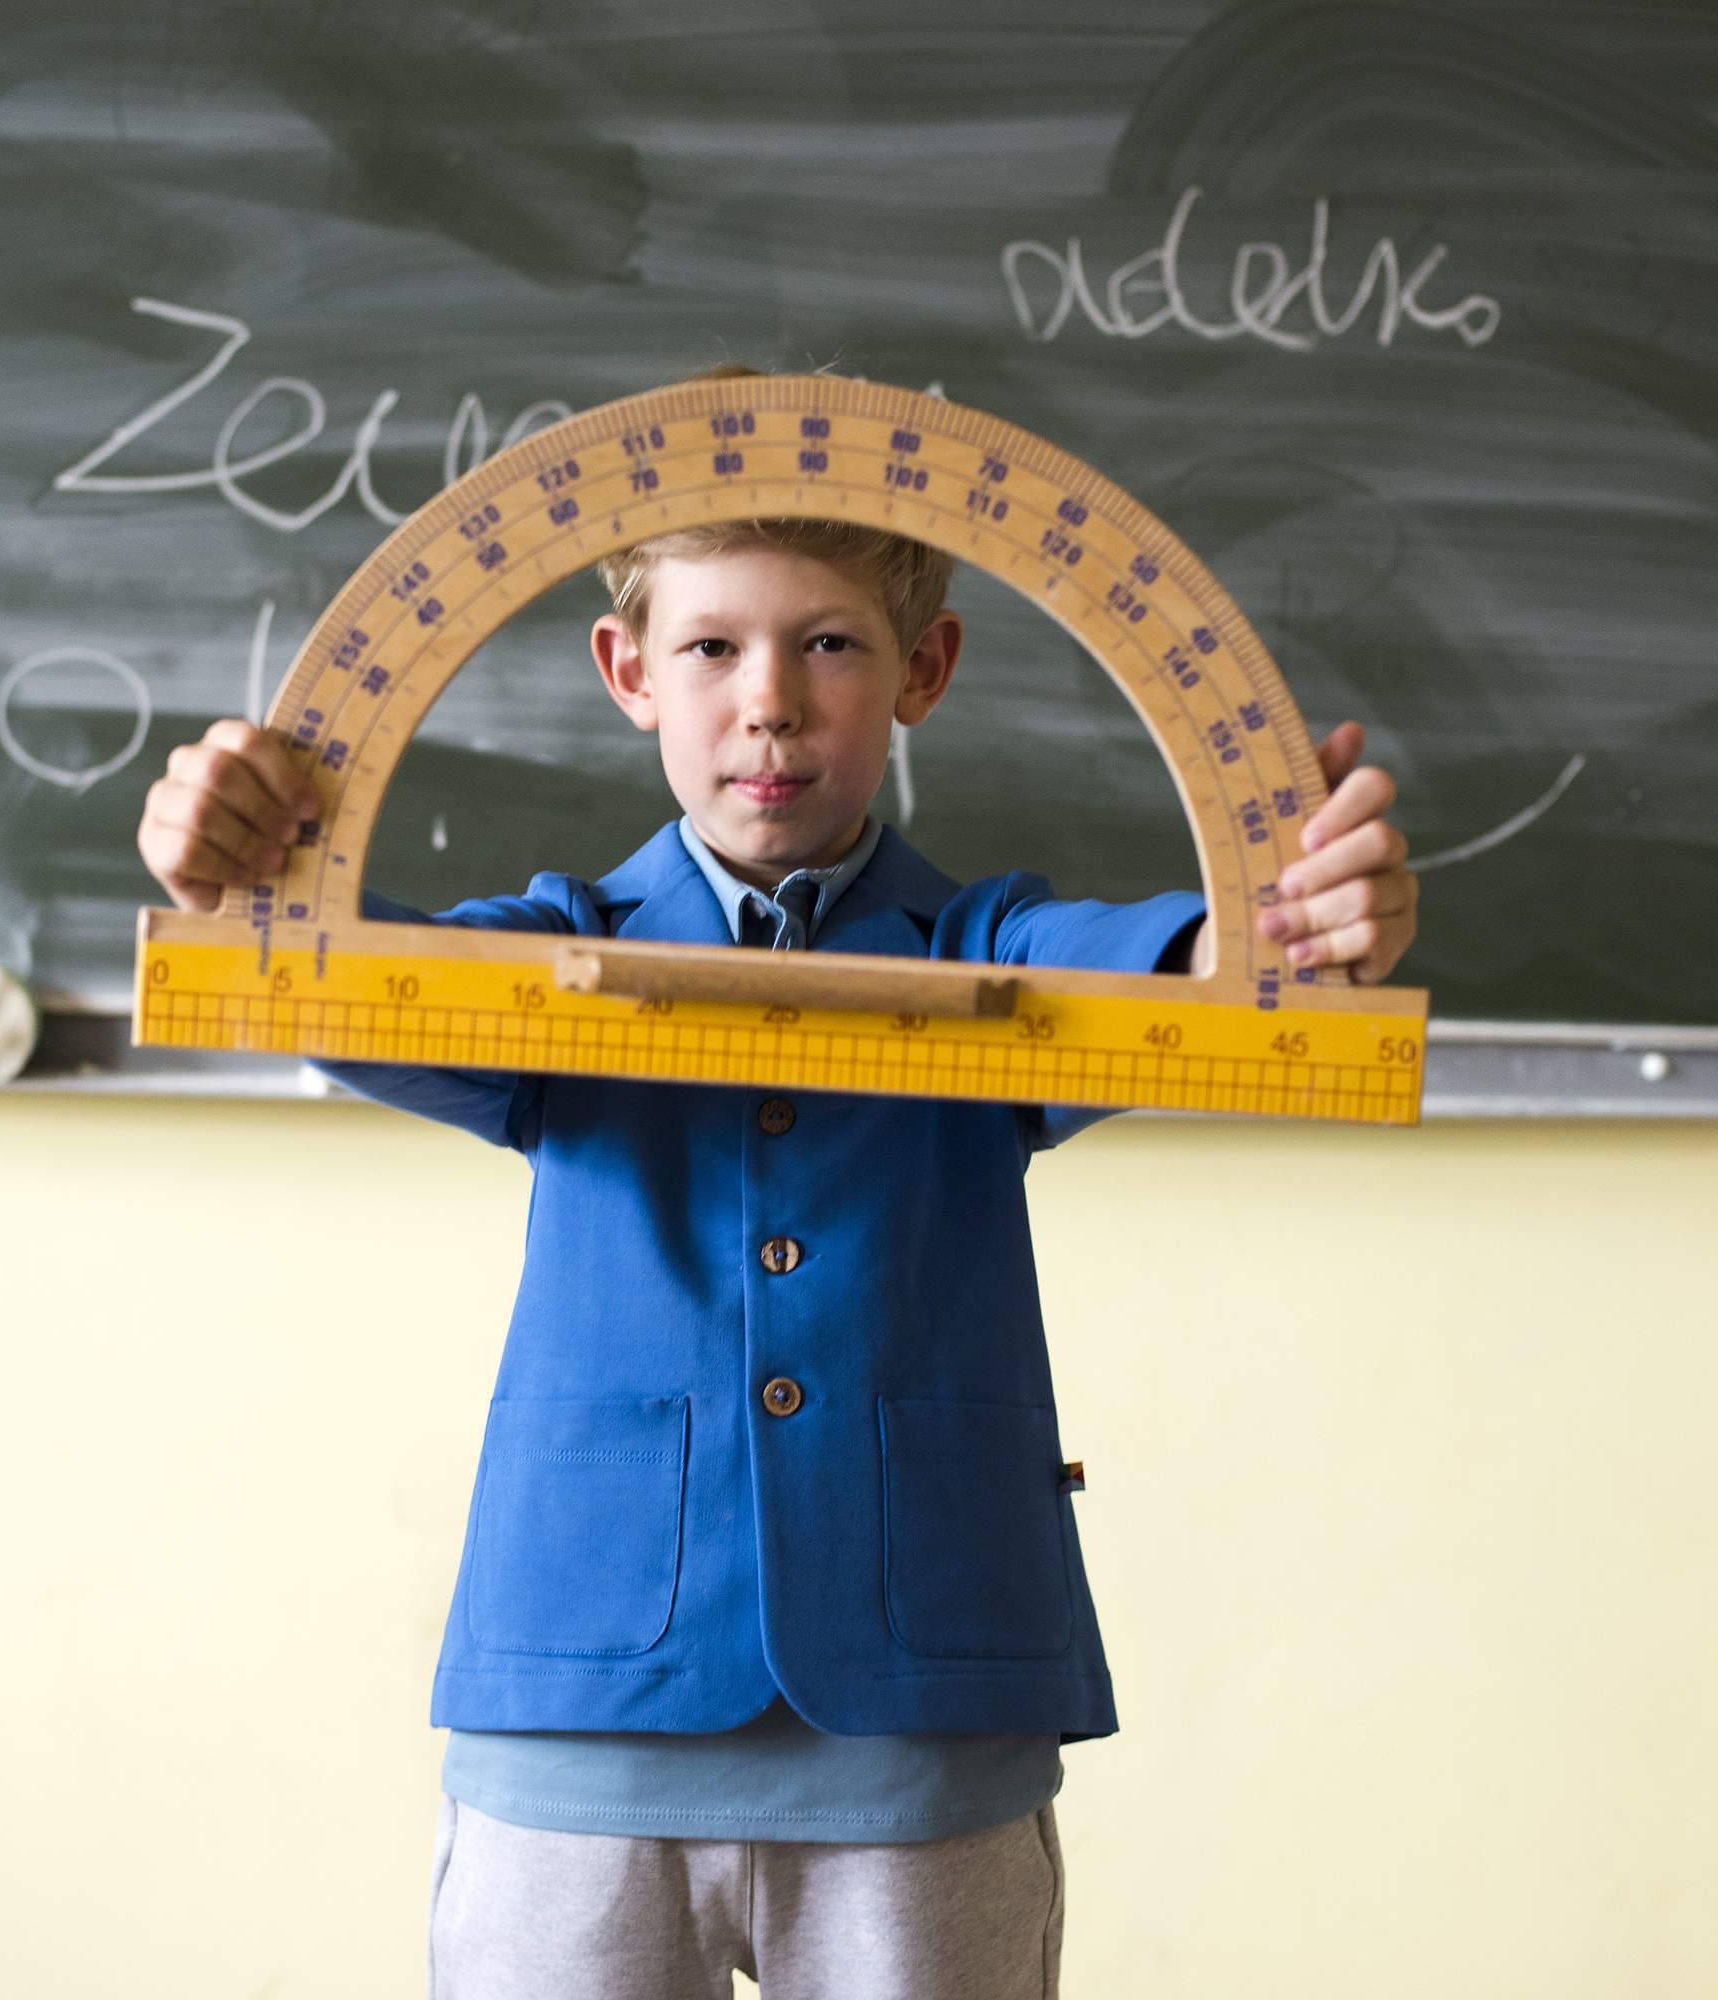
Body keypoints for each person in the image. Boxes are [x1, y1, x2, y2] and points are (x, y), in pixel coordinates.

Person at [136, 381, 1418, 1999]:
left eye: (829, 644)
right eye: (711, 647)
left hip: (921, 1731)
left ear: (922, 672)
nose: (771, 704)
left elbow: (1162, 966)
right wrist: (242, 876)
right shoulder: (550, 956)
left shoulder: (985, 952)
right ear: (625, 672)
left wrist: (1285, 931)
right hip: (579, 1718)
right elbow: (347, 981)